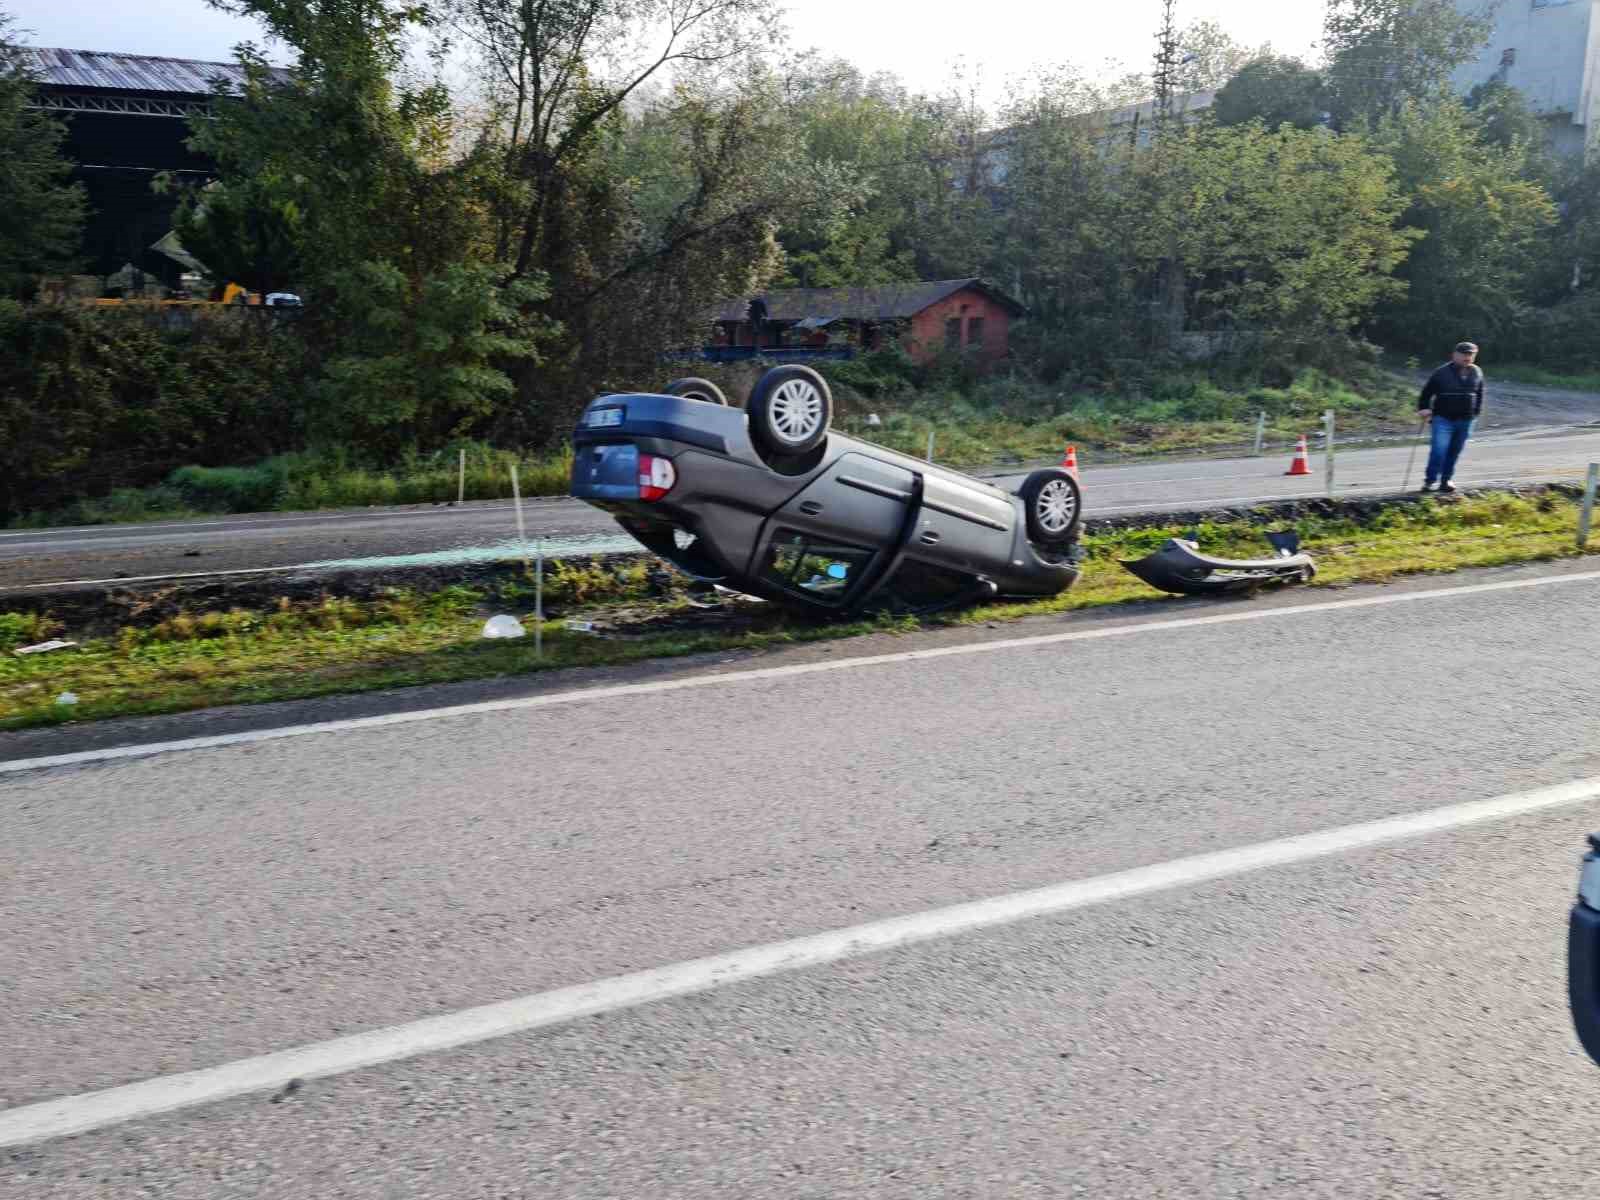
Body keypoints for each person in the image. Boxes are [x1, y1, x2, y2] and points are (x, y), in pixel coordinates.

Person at [1418, 341, 1485, 493]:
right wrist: (1424, 408)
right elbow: (1426, 393)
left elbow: (1480, 394)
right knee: (1439, 450)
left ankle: (1446, 480)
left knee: (1454, 451)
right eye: (1464, 354)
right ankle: (1429, 481)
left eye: (1471, 354)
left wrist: (1475, 414)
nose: (1467, 357)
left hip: (1466, 420)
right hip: (1443, 419)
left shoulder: (1477, 372)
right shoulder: (1441, 372)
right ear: (1455, 355)